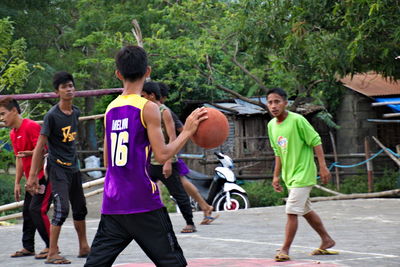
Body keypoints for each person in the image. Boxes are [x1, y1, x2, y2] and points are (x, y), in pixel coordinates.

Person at [84, 45, 207, 267]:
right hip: (142, 201)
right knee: (173, 263)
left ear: (118, 74)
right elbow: (162, 155)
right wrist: (187, 131)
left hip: (113, 202)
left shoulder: (110, 110)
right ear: (148, 71)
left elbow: (106, 161)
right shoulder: (148, 108)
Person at [266, 88, 337, 262]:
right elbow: (278, 152)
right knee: (305, 210)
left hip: (304, 173)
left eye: (277, 101)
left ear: (285, 103)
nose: (273, 106)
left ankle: (284, 249)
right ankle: (327, 240)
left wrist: (323, 166)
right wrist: (276, 176)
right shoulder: (271, 126)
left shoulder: (298, 120)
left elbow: (316, 141)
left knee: (291, 210)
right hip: (289, 176)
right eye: (270, 102)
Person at [27, 71, 90, 264]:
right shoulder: (51, 116)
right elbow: (39, 147)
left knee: (80, 208)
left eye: (71, 85)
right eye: (64, 87)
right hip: (57, 169)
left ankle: (84, 247)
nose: (69, 89)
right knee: (62, 209)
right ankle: (52, 251)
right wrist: (32, 176)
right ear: (57, 92)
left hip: (73, 167)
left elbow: (70, 142)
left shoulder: (76, 112)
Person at [158, 82, 217, 225]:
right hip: (161, 154)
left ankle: (160, 216)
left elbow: (181, 130)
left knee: (175, 183)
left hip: (168, 154)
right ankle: (205, 207)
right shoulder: (154, 110)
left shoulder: (165, 112)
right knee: (181, 182)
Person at [0, 97, 52, 260]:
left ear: (14, 111)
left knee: (37, 210)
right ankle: (28, 247)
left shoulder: (31, 126)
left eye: (3, 114)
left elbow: (44, 150)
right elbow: (19, 157)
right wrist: (17, 182)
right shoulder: (13, 133)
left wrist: (31, 153)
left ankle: (52, 246)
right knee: (28, 212)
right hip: (30, 179)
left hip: (43, 177)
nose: (1, 118)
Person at [142, 81, 197, 233]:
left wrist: (167, 162)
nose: (142, 99)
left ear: (152, 95)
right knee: (145, 192)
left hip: (165, 160)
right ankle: (150, 223)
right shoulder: (146, 111)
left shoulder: (164, 111)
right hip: (150, 161)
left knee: (178, 192)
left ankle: (190, 222)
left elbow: (172, 137)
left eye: (144, 96)